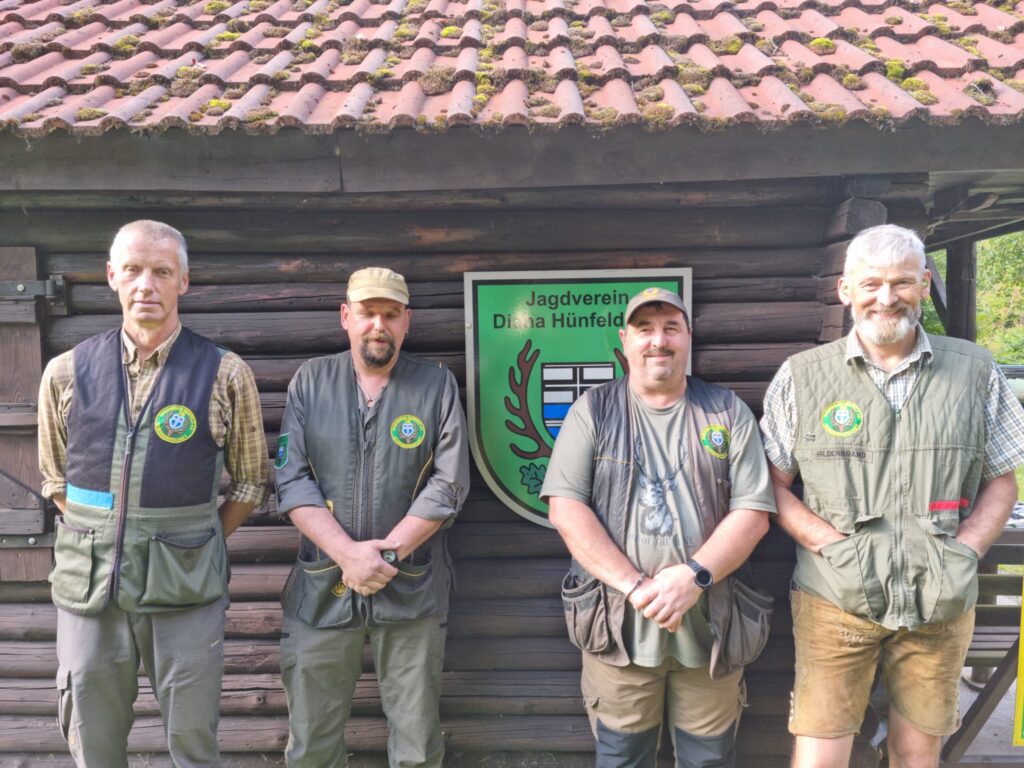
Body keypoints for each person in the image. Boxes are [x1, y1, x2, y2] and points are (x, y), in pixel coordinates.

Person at [760, 224, 1024, 768]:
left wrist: (966, 551)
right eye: (872, 283)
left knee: (917, 755)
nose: (886, 297)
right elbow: (772, 484)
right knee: (820, 755)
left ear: (925, 285)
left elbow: (1002, 479)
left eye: (902, 282)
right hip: (834, 601)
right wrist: (834, 547)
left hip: (940, 601)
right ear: (845, 290)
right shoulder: (802, 378)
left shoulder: (975, 371)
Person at [38, 219, 269, 766]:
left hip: (184, 588)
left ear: (183, 281)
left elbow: (252, 483)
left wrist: (190, 542)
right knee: (92, 741)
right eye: (134, 270)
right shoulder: (65, 373)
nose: (147, 284)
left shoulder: (225, 374)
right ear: (112, 276)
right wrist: (105, 538)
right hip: (88, 587)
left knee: (192, 741)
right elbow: (54, 481)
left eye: (161, 271)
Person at [541, 287, 777, 768]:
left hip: (712, 628)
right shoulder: (593, 411)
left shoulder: (726, 410)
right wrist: (637, 587)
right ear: (624, 339)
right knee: (622, 758)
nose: (658, 341)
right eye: (645, 329)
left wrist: (693, 577)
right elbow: (565, 509)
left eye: (671, 328)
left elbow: (754, 513)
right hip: (619, 628)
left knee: (708, 760)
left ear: (689, 336)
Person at [275, 266, 469, 768]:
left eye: (389, 314)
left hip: (410, 586)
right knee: (312, 742)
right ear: (346, 317)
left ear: (407, 321)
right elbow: (291, 479)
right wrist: (346, 555)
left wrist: (383, 555)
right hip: (322, 587)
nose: (377, 325)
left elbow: (448, 486)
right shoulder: (311, 381)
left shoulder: (436, 385)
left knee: (417, 744)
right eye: (366, 313)